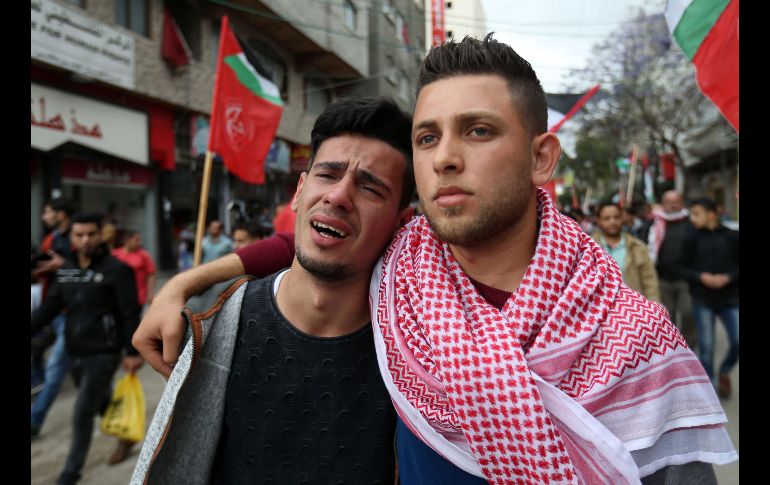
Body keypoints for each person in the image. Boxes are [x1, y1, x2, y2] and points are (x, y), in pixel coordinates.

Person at [133, 35, 736, 483]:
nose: (445, 157)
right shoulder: (401, 283)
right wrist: (179, 286)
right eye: (428, 137)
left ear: (541, 159)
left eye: (477, 131)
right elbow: (312, 238)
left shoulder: (635, 336)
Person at [131, 97, 414, 484]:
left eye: (370, 188)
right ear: (299, 191)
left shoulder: (418, 355)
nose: (338, 196)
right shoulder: (206, 326)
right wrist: (180, 286)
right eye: (328, 175)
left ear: (403, 223)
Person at [31, 213, 144, 485]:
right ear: (71, 237)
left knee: (81, 411)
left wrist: (131, 352)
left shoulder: (118, 270)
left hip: (104, 352)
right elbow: (50, 307)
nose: (85, 240)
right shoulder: (67, 270)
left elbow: (130, 314)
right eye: (79, 235)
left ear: (101, 235)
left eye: (91, 234)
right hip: (74, 350)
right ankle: (125, 437)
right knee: (99, 403)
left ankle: (70, 474)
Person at [675, 198, 739, 398]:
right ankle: (709, 385)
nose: (692, 219)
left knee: (737, 341)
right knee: (707, 345)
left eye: (696, 213)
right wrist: (701, 276)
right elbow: (680, 267)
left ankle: (725, 371)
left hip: (730, 299)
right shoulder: (691, 238)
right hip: (702, 299)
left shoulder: (732, 236)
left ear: (711, 213)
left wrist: (728, 277)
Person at [31, 198, 76, 437]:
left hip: (73, 314)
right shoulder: (53, 239)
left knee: (57, 366)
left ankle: (34, 419)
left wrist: (63, 266)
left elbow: (93, 270)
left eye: (48, 211)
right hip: (54, 310)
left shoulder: (79, 236)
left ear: (61, 214)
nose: (44, 216)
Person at [647, 190, 698, 348]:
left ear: (681, 203)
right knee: (667, 317)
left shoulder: (691, 223)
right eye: (669, 202)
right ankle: (673, 348)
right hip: (662, 279)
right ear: (663, 204)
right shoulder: (655, 224)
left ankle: (689, 347)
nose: (673, 205)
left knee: (688, 313)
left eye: (676, 201)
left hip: (686, 279)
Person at [592, 202, 661, 302]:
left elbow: (649, 281)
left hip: (634, 307)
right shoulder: (589, 249)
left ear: (622, 218)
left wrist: (654, 306)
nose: (612, 222)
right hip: (600, 309)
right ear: (598, 221)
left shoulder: (638, 247)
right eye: (607, 218)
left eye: (616, 217)